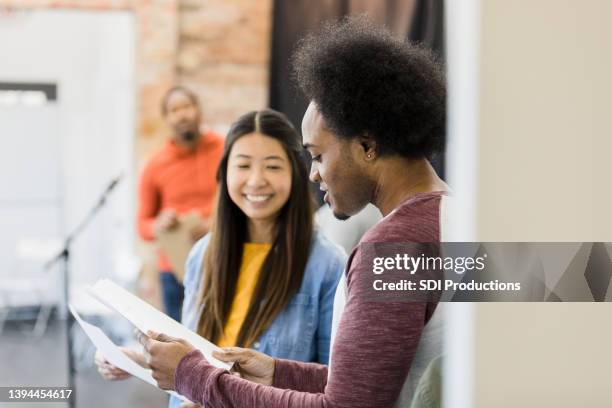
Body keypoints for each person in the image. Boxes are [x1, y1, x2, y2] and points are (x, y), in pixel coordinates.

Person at [137, 16, 449, 407]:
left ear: (367, 145)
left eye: (317, 155)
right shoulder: (455, 215)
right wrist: (281, 373)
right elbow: (370, 382)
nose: (314, 174)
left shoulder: (390, 248)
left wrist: (193, 376)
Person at [96, 109, 346, 408]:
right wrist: (139, 359)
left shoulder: (327, 266)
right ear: (225, 172)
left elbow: (331, 387)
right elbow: (199, 356)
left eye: (272, 166)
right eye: (242, 165)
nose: (256, 180)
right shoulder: (203, 254)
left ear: (295, 172)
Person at [137, 86, 224, 321]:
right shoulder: (155, 165)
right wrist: (158, 224)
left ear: (198, 110)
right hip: (175, 271)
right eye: (174, 110)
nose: (182, 114)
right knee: (182, 341)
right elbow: (142, 225)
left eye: (186, 106)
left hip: (221, 259)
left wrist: (214, 224)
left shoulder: (225, 150)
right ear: (167, 119)